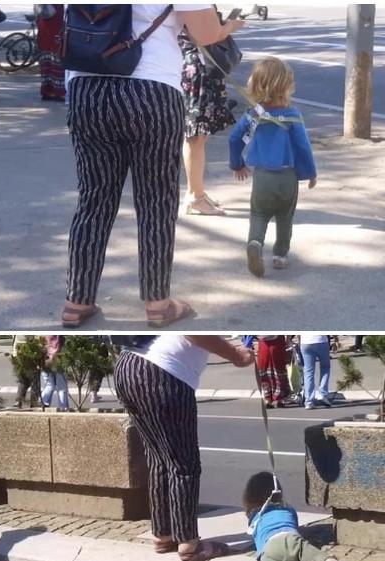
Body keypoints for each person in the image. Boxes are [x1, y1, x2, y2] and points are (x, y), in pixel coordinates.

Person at [61, 6, 245, 329]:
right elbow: (205, 33)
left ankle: (77, 300)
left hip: (85, 87)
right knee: (156, 200)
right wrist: (228, 25)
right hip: (152, 89)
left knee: (93, 199)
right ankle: (158, 304)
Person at [114, 335, 254, 561]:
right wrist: (236, 355)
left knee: (159, 458)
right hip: (162, 372)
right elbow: (194, 332)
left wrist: (231, 347)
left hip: (128, 365)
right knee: (183, 464)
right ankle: (189, 544)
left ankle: (163, 534)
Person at [228, 57, 316, 278]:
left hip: (262, 177)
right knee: (285, 216)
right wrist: (310, 173)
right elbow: (303, 148)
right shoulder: (293, 116)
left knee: (259, 214)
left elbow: (234, 139)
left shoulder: (253, 115)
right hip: (288, 175)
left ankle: (255, 244)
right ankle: (280, 255)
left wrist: (237, 163)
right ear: (287, 86)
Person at [244, 471, 357, 561]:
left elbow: (257, 536)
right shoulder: (288, 509)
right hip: (292, 539)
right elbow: (294, 526)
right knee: (314, 557)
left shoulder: (253, 516)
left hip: (270, 547)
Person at [180, 16, 237, 217]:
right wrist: (231, 25)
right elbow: (206, 34)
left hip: (195, 65)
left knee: (198, 136)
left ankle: (195, 191)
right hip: (196, 67)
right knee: (196, 135)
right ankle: (195, 197)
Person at [35, 5, 65, 101]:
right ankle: (57, 92)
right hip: (56, 28)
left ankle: (46, 90)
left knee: (46, 60)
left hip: (44, 28)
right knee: (57, 61)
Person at [298, 335, 332, 409]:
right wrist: (336, 339)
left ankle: (309, 400)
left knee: (308, 371)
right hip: (321, 340)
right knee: (325, 367)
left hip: (305, 341)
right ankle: (323, 393)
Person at [257, 335, 291, 408]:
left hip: (264, 344)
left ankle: (268, 399)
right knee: (279, 371)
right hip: (278, 342)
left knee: (265, 371)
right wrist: (288, 340)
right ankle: (279, 399)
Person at [40, 335, 69, 411]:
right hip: (58, 359)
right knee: (61, 387)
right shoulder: (58, 336)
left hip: (45, 360)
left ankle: (43, 402)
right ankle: (63, 407)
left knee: (50, 385)